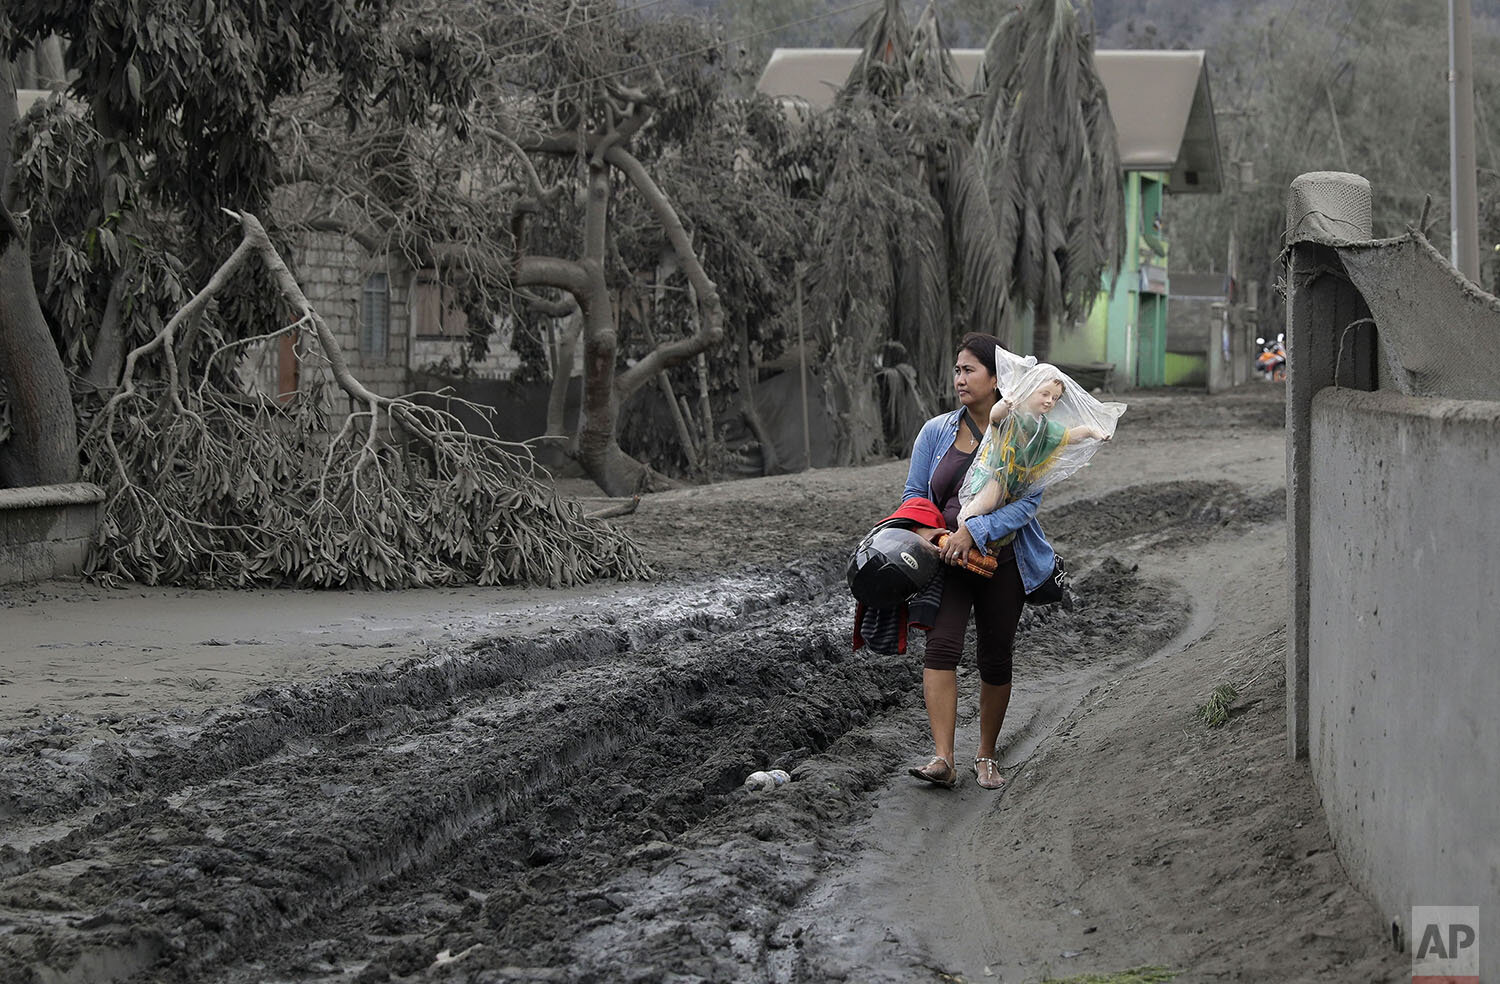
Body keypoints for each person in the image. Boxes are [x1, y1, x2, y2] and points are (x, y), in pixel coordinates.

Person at [899, 333, 1058, 791]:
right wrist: (935, 535)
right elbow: (914, 497)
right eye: (956, 370)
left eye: (969, 370)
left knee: (995, 656)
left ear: (997, 377)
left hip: (1002, 561)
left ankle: (985, 756)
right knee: (941, 647)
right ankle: (944, 759)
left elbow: (1027, 505)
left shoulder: (1029, 432)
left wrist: (975, 531)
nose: (959, 379)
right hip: (945, 559)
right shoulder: (936, 432)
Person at [956, 365, 1112, 526]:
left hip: (1014, 483)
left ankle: (981, 544)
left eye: (1055, 398)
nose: (1049, 401)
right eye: (1045, 394)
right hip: (997, 471)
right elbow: (995, 417)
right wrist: (1004, 405)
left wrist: (1091, 431)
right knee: (987, 503)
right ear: (1029, 389)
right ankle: (963, 523)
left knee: (999, 517)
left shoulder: (1044, 427)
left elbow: (1068, 436)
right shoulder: (1014, 414)